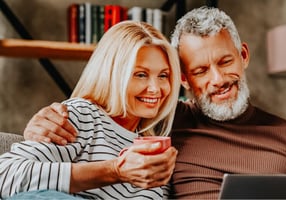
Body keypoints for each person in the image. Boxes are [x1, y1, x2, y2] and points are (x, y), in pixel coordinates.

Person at [23, 7, 286, 199]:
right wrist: (44, 121)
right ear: (183, 79)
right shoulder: (162, 120)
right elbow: (106, 111)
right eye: (200, 71)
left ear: (243, 56)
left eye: (225, 61)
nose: (217, 79)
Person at [0, 21, 181, 199]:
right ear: (112, 75)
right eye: (141, 75)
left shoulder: (159, 148)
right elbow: (6, 175)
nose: (155, 89)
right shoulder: (81, 116)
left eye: (163, 76)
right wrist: (115, 170)